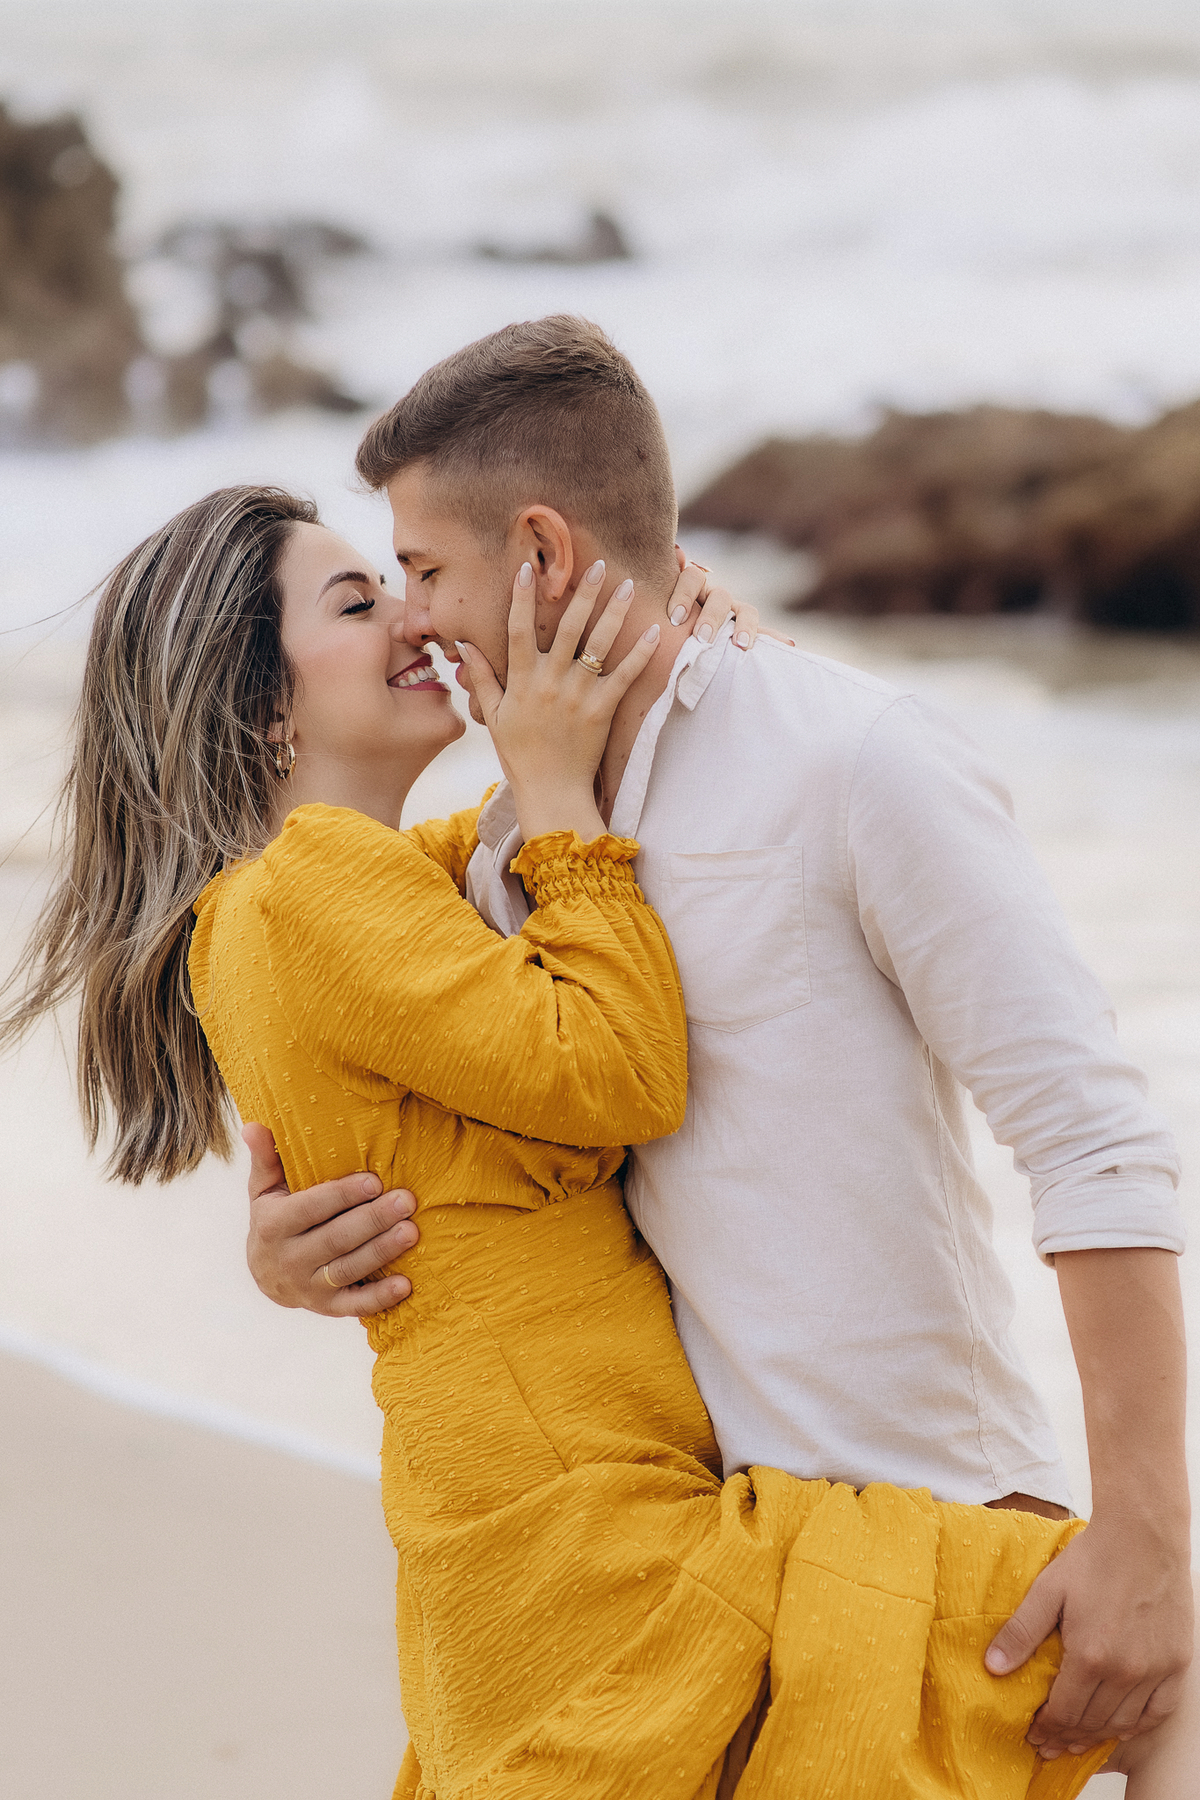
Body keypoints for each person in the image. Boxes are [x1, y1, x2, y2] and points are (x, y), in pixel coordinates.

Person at [2, 484, 1133, 1800]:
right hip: (588, 1531)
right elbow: (616, 1068)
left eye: (407, 581)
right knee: (1113, 1655)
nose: (412, 617)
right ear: (259, 704)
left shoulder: (355, 885)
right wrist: (548, 772)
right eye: (360, 600)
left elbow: (545, 853)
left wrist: (658, 642)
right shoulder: (308, 888)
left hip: (539, 1523)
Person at [245, 317, 1196, 1793]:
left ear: (544, 555)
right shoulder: (514, 856)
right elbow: (427, 1112)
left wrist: (1148, 1543)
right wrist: (286, 1244)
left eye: (425, 570)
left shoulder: (850, 759)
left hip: (925, 1555)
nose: (417, 620)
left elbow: (1095, 1146)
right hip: (687, 1598)